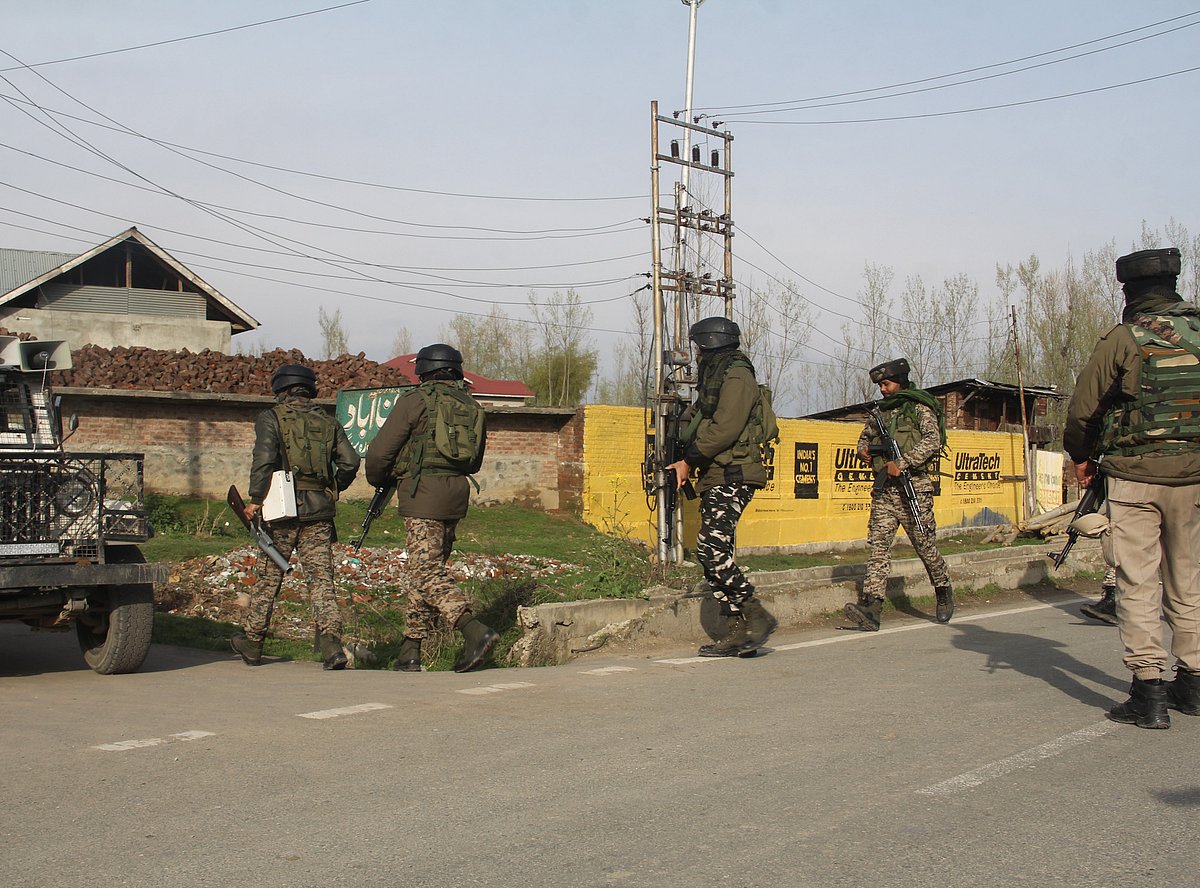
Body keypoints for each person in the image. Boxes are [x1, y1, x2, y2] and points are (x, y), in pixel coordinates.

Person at [1064, 246, 1200, 730]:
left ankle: (1149, 693)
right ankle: (1193, 683)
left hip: (1135, 478)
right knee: (1188, 580)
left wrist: (1080, 456)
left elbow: (1084, 410)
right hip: (1194, 479)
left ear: (1129, 291)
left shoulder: (1124, 339)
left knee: (1138, 583)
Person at [365, 343, 498, 673]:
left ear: (422, 371)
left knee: (426, 572)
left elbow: (380, 453)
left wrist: (380, 478)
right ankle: (410, 650)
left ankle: (473, 630)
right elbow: (475, 460)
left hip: (422, 495)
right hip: (456, 496)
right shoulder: (471, 405)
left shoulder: (415, 401)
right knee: (424, 573)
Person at [231, 364, 361, 670]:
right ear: (309, 389)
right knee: (321, 581)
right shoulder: (329, 422)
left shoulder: (271, 418)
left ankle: (253, 643)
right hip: (320, 512)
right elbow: (350, 462)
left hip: (281, 512)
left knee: (269, 576)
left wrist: (254, 500)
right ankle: (331, 646)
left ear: (281, 390)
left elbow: (263, 461)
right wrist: (332, 488)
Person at [666, 316, 778, 658]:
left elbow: (726, 428)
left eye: (700, 348)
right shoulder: (718, 378)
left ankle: (756, 614)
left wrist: (690, 460)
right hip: (719, 473)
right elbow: (701, 419)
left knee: (710, 550)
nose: (697, 355)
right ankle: (738, 633)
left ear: (711, 345)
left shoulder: (737, 375)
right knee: (717, 556)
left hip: (736, 472)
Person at [844, 358, 952, 631]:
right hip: (885, 493)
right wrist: (863, 449)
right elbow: (864, 437)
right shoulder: (880, 413)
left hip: (913, 488)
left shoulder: (918, 407)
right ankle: (872, 608)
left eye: (886, 383)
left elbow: (932, 441)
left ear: (900, 381)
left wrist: (902, 463)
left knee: (925, 546)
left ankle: (943, 590)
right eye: (880, 385)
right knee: (878, 548)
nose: (883, 389)